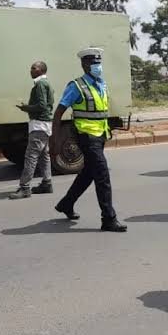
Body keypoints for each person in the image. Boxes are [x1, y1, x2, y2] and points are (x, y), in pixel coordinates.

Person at [52, 47, 126, 232]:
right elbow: (59, 112)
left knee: (89, 173)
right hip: (86, 136)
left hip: (100, 135)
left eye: (99, 63)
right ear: (84, 65)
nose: (97, 66)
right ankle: (108, 218)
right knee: (102, 175)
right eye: (93, 63)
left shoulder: (101, 83)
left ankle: (66, 204)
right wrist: (54, 138)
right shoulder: (76, 86)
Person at [9, 61, 55, 199]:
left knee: (31, 156)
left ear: (41, 70)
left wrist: (26, 108)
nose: (31, 70)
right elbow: (48, 103)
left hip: (39, 125)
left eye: (34, 68)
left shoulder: (40, 84)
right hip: (45, 124)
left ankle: (25, 187)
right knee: (44, 156)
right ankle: (47, 183)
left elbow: (41, 106)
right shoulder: (46, 84)